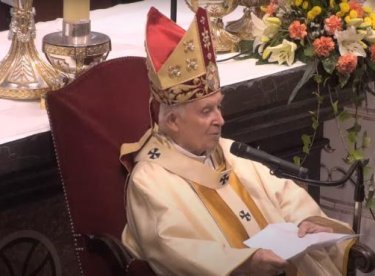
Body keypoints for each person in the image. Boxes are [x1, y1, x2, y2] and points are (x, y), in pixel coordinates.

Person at [121, 7, 354, 276]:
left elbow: (282, 193)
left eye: (218, 107)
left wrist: (308, 222)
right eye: (206, 111)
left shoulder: (225, 151)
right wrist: (245, 262)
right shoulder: (150, 179)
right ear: (173, 121)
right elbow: (172, 246)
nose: (220, 120)